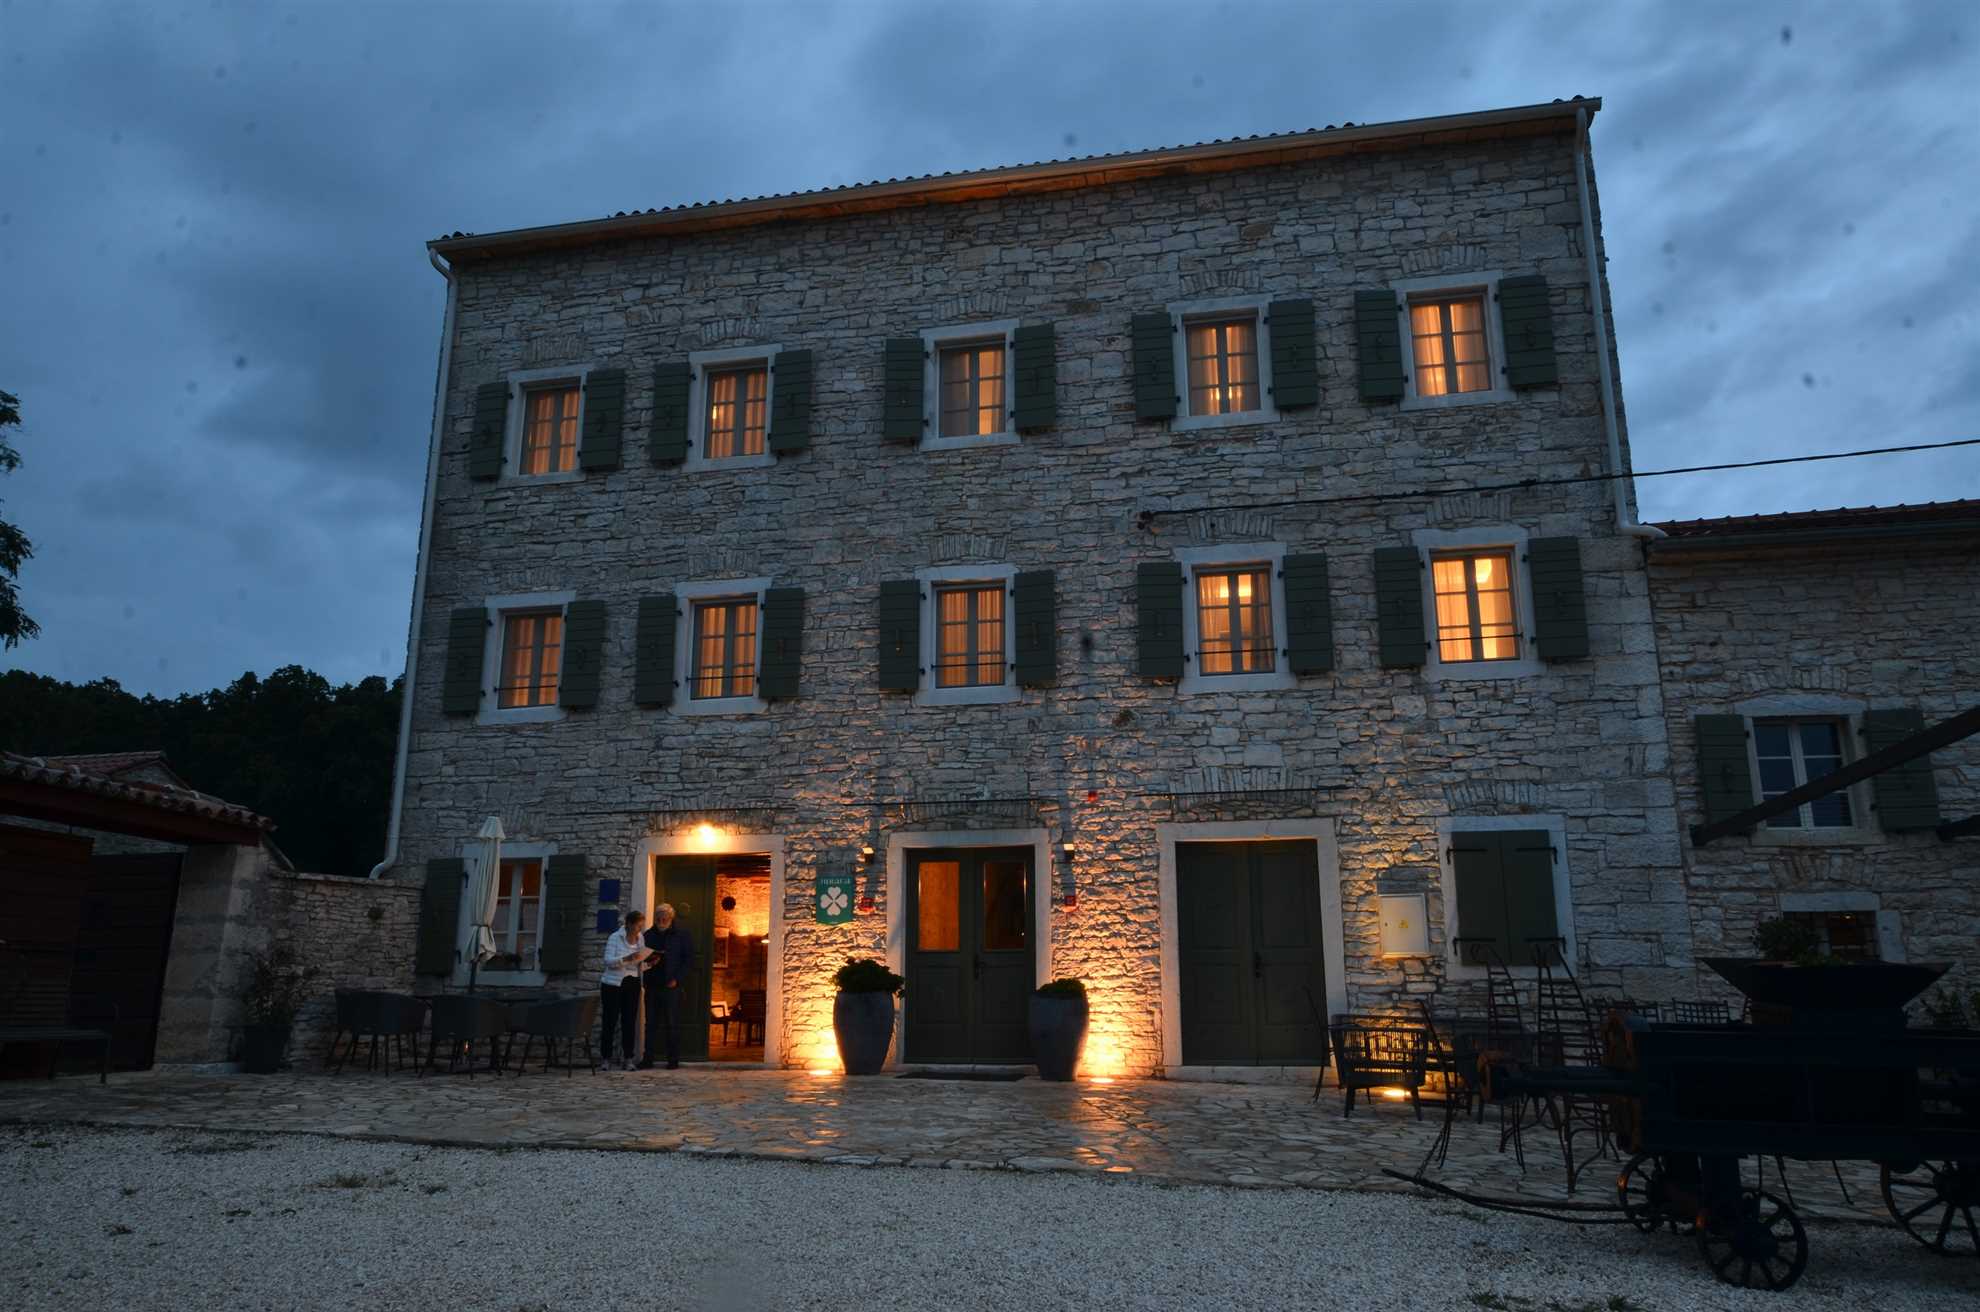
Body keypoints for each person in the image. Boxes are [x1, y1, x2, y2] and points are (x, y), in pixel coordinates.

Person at [638, 902, 695, 1070]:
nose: (661, 921)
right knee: (650, 1024)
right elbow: (641, 959)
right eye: (658, 918)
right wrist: (649, 962)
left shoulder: (682, 935)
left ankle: (673, 1059)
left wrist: (677, 979)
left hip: (672, 986)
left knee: (672, 1023)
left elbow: (688, 960)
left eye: (665, 919)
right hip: (652, 985)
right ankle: (648, 1059)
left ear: (671, 919)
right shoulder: (647, 935)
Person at [600, 910, 648, 1071]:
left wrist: (649, 963)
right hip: (613, 984)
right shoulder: (615, 937)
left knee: (629, 1022)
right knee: (610, 1021)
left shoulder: (641, 938)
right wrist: (626, 959)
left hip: (632, 983)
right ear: (628, 924)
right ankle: (606, 1058)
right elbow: (608, 961)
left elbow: (640, 961)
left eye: (641, 926)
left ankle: (628, 1058)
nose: (639, 929)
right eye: (637, 926)